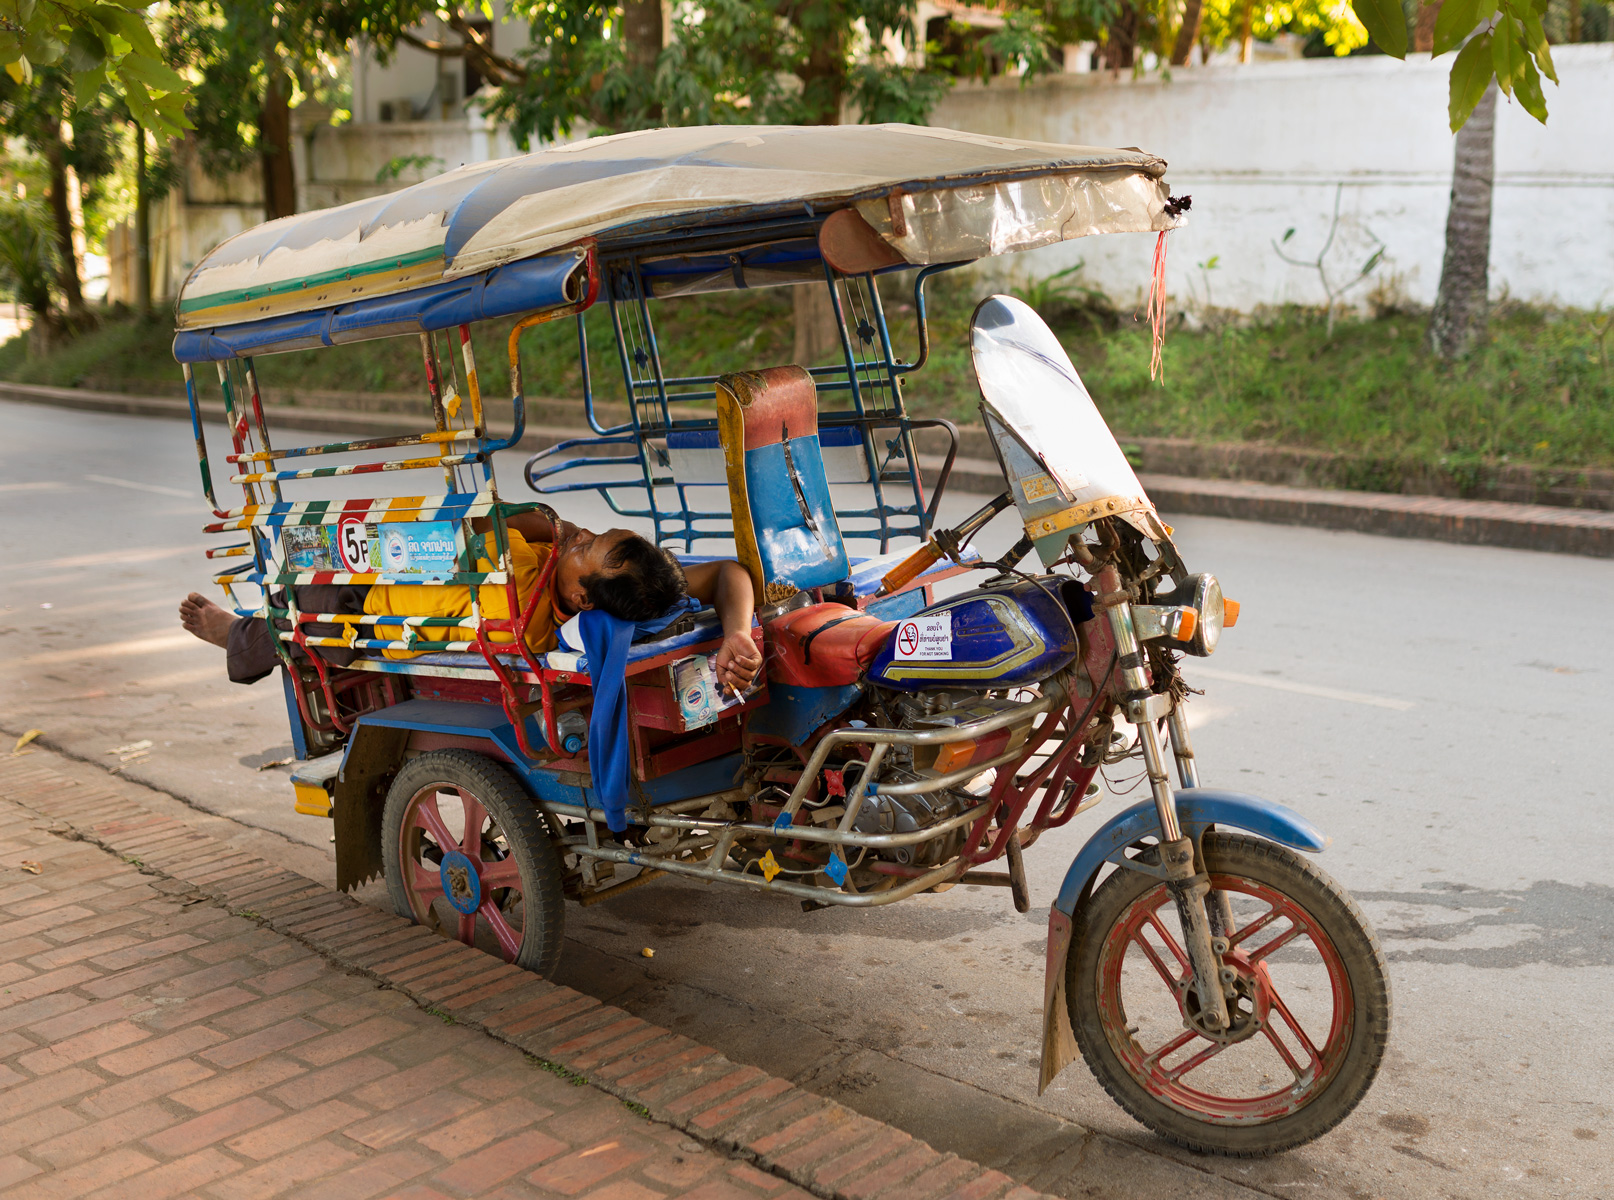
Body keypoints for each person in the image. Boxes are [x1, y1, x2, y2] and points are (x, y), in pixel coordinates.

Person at [179, 510, 761, 691]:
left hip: (375, 597)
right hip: (406, 563)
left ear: (584, 597)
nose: (584, 536)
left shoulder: (512, 587)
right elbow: (729, 573)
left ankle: (235, 632)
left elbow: (453, 528)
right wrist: (738, 632)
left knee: (297, 614)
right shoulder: (621, 583)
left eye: (589, 547)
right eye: (597, 534)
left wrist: (542, 525)